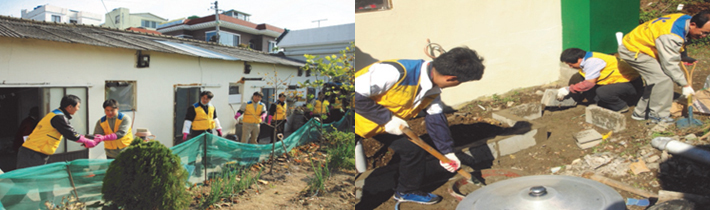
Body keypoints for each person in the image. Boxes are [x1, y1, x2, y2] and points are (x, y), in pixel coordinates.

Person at [355, 47, 485, 205]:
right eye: (460, 82)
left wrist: (447, 152)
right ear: (451, 78)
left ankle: (406, 191)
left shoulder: (433, 89)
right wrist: (386, 119)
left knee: (413, 150)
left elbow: (435, 118)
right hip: (348, 120)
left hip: (381, 123)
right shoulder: (395, 72)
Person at [619, 11, 710, 123]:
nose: (704, 36)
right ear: (693, 24)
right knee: (663, 80)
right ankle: (658, 116)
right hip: (633, 50)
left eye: (707, 34)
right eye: (703, 32)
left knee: (656, 80)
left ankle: (641, 113)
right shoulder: (670, 35)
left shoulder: (685, 19)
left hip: (645, 46)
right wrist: (684, 84)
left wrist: (683, 56)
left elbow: (681, 40)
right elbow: (669, 63)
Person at [17, 95, 101, 169]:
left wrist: (84, 139)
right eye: (78, 106)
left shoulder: (55, 114)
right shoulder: (59, 117)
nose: (78, 109)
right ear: (69, 107)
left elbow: (70, 133)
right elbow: (71, 134)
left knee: (45, 181)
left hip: (38, 153)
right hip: (33, 154)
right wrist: (88, 141)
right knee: (26, 182)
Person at [557, 48, 642, 112]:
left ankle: (621, 106)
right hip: (616, 82)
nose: (570, 67)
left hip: (631, 83)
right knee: (594, 94)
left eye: (571, 64)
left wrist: (569, 89)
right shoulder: (586, 59)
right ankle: (605, 102)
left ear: (579, 59)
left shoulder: (592, 62)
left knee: (603, 92)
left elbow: (589, 84)